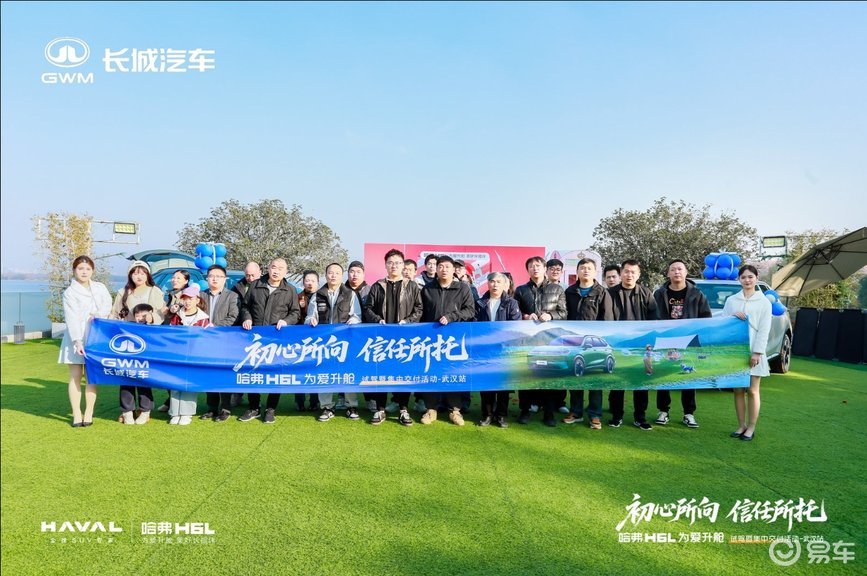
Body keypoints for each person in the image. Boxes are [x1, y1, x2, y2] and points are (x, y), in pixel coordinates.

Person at [362, 249, 423, 426]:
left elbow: (419, 309)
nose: (394, 265)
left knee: (403, 374)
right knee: (381, 374)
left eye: (397, 262)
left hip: (404, 339)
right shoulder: (377, 286)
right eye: (390, 262)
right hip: (382, 339)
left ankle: (403, 409)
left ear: (403, 265)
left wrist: (408, 321)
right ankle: (380, 409)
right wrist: (377, 320)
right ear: (385, 265)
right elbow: (368, 308)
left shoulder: (412, 286)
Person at [237, 258, 300, 424]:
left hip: (276, 340)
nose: (276, 271)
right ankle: (254, 407)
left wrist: (286, 321)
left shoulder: (290, 290)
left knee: (275, 374)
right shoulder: (255, 285)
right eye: (274, 267)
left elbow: (295, 312)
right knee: (253, 372)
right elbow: (245, 306)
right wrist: (247, 318)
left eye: (280, 268)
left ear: (285, 272)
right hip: (255, 339)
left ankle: (271, 408)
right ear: (268, 268)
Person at [652, 259, 712, 428]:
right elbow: (652, 316)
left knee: (688, 375)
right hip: (666, 340)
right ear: (668, 273)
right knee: (664, 373)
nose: (676, 272)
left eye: (680, 269)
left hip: (689, 341)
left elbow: (706, 317)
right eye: (673, 269)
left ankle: (689, 413)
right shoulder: (659, 294)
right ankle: (663, 411)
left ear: (686, 272)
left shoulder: (697, 294)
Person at [419, 255, 475, 426]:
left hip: (454, 340)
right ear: (436, 269)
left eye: (447, 267)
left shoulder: (463, 288)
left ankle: (454, 411)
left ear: (453, 270)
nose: (444, 270)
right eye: (440, 266)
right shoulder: (428, 289)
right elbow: (420, 312)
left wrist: (451, 317)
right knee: (431, 372)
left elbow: (470, 311)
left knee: (453, 373)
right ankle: (431, 409)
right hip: (431, 340)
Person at [58, 255, 112, 427]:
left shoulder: (99, 287)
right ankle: (76, 413)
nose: (84, 272)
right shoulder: (70, 292)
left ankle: (89, 412)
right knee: (75, 376)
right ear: (74, 270)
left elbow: (107, 304)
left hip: (96, 336)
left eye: (88, 269)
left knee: (91, 377)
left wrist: (98, 315)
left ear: (92, 271)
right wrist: (77, 341)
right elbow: (71, 318)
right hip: (76, 337)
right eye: (80, 268)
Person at [110, 260, 165, 425]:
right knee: (125, 373)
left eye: (142, 273)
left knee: (142, 373)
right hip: (126, 338)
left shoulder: (155, 291)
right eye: (135, 273)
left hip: (147, 338)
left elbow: (162, 313)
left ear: (147, 275)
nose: (139, 276)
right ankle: (127, 410)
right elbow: (114, 313)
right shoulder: (123, 292)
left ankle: (145, 410)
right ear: (130, 275)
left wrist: (151, 317)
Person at [514, 256, 567, 425]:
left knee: (549, 375)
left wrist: (550, 315)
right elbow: (515, 313)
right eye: (531, 266)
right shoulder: (521, 290)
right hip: (528, 341)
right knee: (526, 375)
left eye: (538, 265)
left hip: (550, 340)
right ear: (527, 270)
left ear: (545, 269)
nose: (535, 268)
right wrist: (525, 316)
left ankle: (549, 413)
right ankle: (525, 410)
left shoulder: (557, 289)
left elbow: (564, 313)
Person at [307, 263, 363, 422]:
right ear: (326, 275)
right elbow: (310, 316)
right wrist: (311, 320)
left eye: (337, 273)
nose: (333, 276)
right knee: (324, 373)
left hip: (345, 342)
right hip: (324, 342)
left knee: (347, 373)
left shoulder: (350, 294)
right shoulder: (317, 295)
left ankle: (351, 405)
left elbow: (357, 316)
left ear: (341, 275)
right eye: (330, 273)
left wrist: (353, 320)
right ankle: (327, 407)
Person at [562, 258, 614, 430]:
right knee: (575, 377)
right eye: (582, 268)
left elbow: (607, 319)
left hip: (594, 343)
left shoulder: (602, 292)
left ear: (595, 271)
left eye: (589, 268)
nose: (585, 271)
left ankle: (595, 414)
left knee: (594, 379)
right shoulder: (570, 291)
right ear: (577, 271)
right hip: (574, 342)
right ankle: (575, 412)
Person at [607, 259, 658, 430]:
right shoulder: (610, 293)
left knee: (640, 382)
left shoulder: (646, 293)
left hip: (642, 345)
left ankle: (640, 417)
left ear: (638, 274)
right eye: (626, 271)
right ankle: (616, 416)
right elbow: (606, 319)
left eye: (633, 272)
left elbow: (654, 319)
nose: (629, 275)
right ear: (621, 273)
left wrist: (649, 342)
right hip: (618, 344)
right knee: (618, 381)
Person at [723, 264, 772, 442]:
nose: (747, 280)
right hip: (736, 351)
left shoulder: (764, 302)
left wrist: (757, 353)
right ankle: (741, 425)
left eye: (750, 277)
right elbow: (723, 323)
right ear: (739, 279)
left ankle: (751, 427)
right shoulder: (731, 300)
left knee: (752, 390)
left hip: (753, 351)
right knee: (737, 390)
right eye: (743, 277)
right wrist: (733, 316)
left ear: (756, 278)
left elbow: (764, 330)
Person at [475, 272, 521, 427]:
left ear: (504, 284)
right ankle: (487, 415)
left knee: (503, 385)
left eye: (498, 282)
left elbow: (515, 326)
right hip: (485, 350)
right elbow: (474, 325)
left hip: (504, 350)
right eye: (492, 281)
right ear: (488, 283)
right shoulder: (480, 303)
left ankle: (501, 416)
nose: (495, 285)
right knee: (486, 384)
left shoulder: (512, 303)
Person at [198, 264, 240, 423]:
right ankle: (211, 408)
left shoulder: (232, 296)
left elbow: (233, 317)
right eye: (211, 276)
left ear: (224, 279)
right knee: (209, 375)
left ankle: (225, 408)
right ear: (207, 278)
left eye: (218, 276)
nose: (214, 279)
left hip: (224, 341)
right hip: (204, 342)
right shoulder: (200, 295)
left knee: (223, 375)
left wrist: (215, 327)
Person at [167, 285, 211, 425]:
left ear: (197, 300)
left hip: (194, 356)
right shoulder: (177, 316)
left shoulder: (204, 319)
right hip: (177, 355)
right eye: (185, 299)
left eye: (190, 299)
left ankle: (186, 413)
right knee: (175, 383)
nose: (187, 302)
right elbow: (170, 335)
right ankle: (175, 412)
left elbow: (208, 339)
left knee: (189, 384)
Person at [157, 268, 192, 411]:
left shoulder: (188, 296)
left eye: (178, 278)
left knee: (180, 371)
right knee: (167, 370)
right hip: (167, 336)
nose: (174, 280)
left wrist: (175, 309)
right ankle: (171, 400)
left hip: (181, 339)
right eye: (173, 277)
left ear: (186, 281)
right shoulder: (169, 294)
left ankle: (181, 404)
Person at [229, 261, 261, 408]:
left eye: (253, 275)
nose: (250, 278)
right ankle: (238, 394)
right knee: (240, 365)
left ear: (260, 273)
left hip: (260, 331)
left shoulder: (264, 285)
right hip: (241, 331)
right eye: (247, 275)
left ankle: (256, 401)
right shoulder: (237, 287)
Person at [294, 270, 321, 412]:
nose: (310, 283)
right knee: (299, 370)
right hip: (300, 340)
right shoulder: (297, 297)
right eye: (307, 280)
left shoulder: (322, 296)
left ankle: (314, 401)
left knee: (316, 370)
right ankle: (299, 401)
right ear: (303, 282)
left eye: (313, 280)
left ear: (318, 282)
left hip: (318, 340)